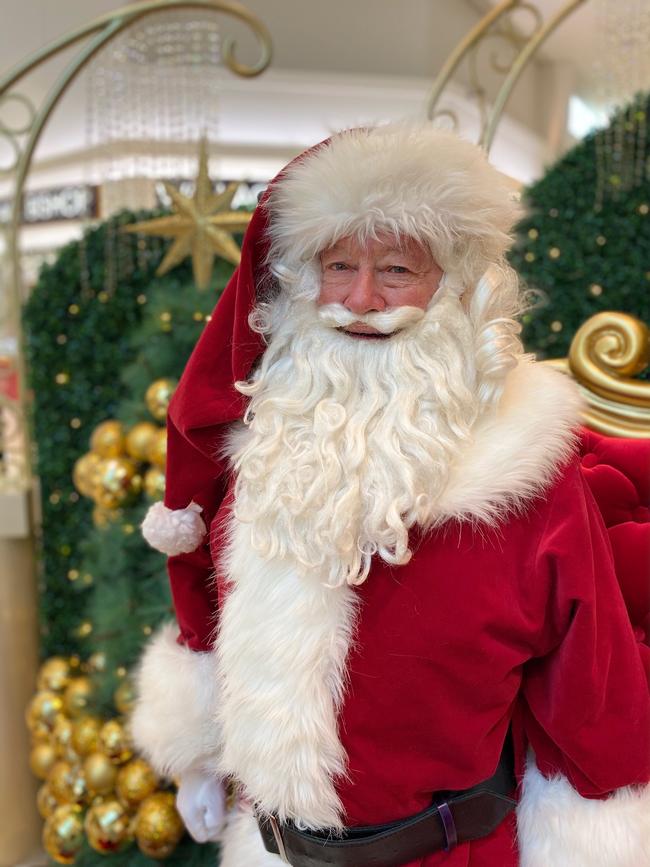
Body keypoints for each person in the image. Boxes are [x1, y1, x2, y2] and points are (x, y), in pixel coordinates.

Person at [131, 124, 650, 867]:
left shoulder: (527, 471)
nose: (361, 300)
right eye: (338, 265)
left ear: (459, 285)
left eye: (399, 268)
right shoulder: (270, 447)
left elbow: (591, 686)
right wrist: (200, 752)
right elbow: (215, 617)